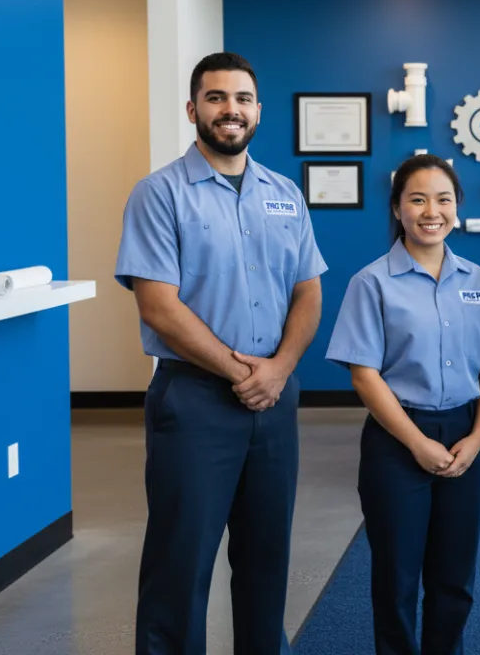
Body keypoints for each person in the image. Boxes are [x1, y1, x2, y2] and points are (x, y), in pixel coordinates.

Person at [115, 51, 327, 654]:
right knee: (181, 563)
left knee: (267, 558)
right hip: (195, 399)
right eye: (215, 98)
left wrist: (279, 370)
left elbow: (308, 291)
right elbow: (158, 306)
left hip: (275, 399)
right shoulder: (158, 194)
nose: (229, 110)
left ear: (258, 111)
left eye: (241, 99)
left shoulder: (285, 194)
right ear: (193, 109)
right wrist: (242, 373)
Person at [325, 153, 480, 655]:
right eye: (418, 199)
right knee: (397, 575)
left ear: (458, 208)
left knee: (455, 575)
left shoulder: (478, 281)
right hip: (397, 440)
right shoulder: (372, 282)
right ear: (397, 208)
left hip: (466, 438)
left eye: (444, 199)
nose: (432, 210)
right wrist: (416, 443)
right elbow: (364, 376)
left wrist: (478, 437)